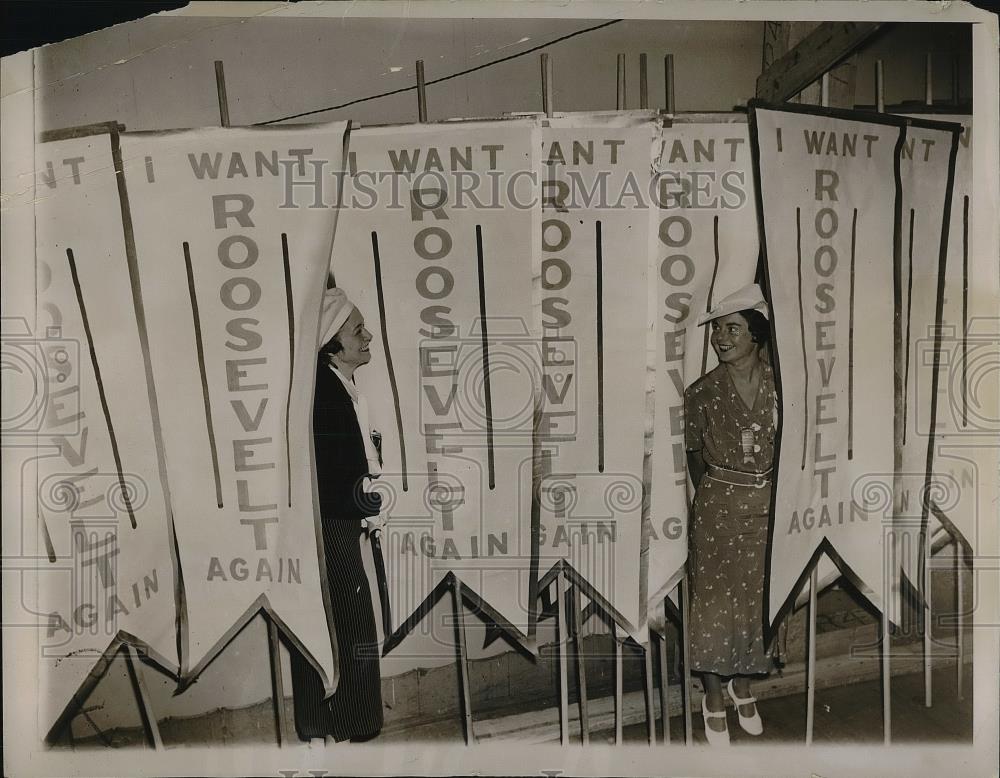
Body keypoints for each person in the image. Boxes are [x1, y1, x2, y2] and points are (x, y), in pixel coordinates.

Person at [290, 286, 385, 744]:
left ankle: (326, 725)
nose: (368, 336)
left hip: (333, 523)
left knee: (336, 620)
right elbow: (330, 473)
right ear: (332, 341)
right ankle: (347, 722)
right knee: (349, 620)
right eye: (357, 330)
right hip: (330, 526)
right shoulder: (326, 390)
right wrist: (367, 504)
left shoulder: (334, 385)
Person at [683, 283, 776, 746]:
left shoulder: (783, 386)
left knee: (755, 603)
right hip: (718, 508)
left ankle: (742, 684)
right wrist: (723, 490)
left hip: (768, 512)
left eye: (732, 329)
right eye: (717, 329)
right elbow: (695, 457)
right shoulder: (701, 393)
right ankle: (715, 694)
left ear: (756, 335)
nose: (720, 338)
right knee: (714, 606)